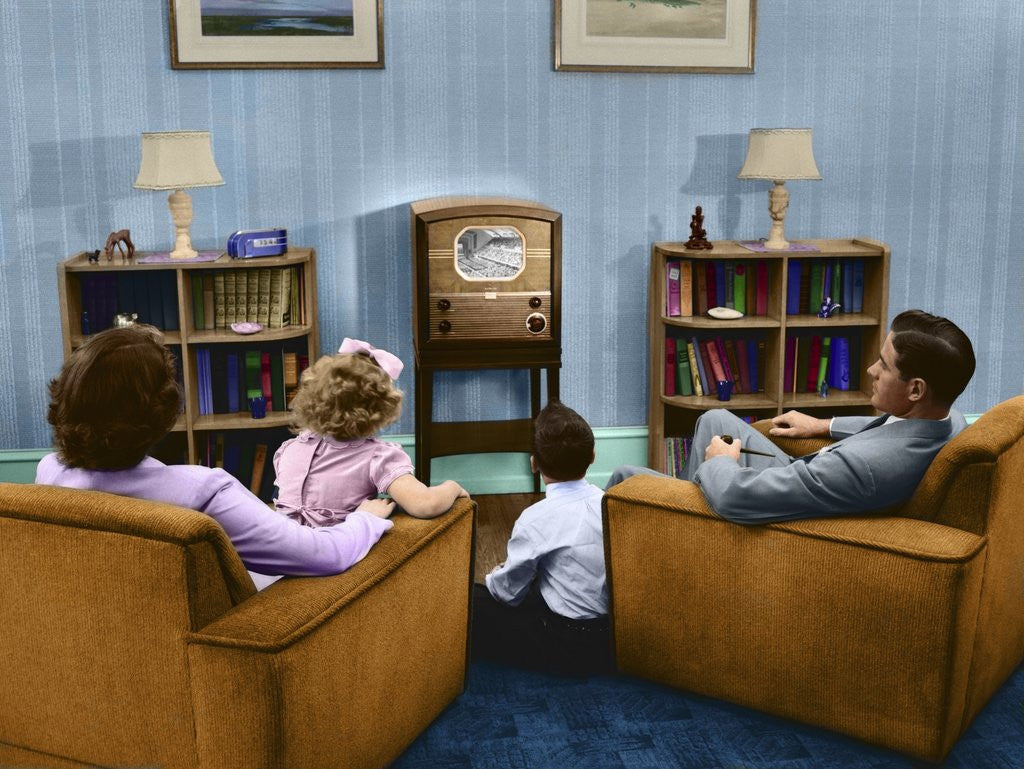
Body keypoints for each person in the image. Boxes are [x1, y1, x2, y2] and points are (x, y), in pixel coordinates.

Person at [36, 325, 395, 589]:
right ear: (162, 412)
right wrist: (364, 519)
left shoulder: (49, 475)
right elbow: (324, 555)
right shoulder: (202, 491)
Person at [607, 309, 976, 523]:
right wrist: (824, 425)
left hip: (762, 501)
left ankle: (692, 528)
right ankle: (687, 523)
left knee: (625, 479)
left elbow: (737, 497)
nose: (870, 370)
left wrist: (720, 465)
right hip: (807, 476)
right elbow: (892, 431)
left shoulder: (863, 468)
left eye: (884, 364)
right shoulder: (947, 419)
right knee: (716, 419)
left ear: (916, 389)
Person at [472, 400, 612, 677]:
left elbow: (507, 594)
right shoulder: (610, 504)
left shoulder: (536, 518)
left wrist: (494, 576)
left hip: (566, 644)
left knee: (471, 600)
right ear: (593, 455)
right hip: (612, 638)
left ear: (533, 463)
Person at [274, 338, 469, 526]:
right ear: (383, 409)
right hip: (334, 550)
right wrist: (452, 486)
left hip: (282, 546)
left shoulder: (290, 448)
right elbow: (425, 504)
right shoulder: (378, 457)